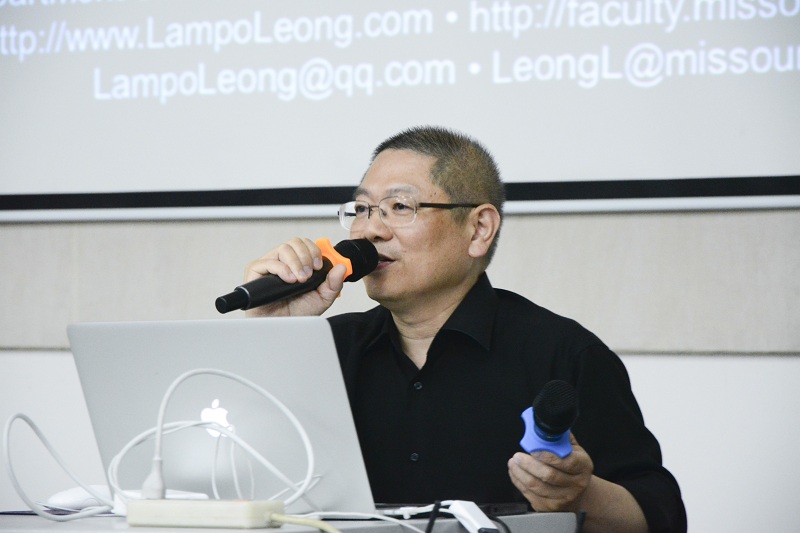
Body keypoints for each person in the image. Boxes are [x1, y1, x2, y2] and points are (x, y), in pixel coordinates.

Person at [243, 126, 687, 533]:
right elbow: (244, 479)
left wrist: (578, 495)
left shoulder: (563, 352)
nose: (369, 230)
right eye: (361, 209)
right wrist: (274, 334)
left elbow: (661, 515)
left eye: (400, 207)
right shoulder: (327, 348)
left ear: (478, 229)